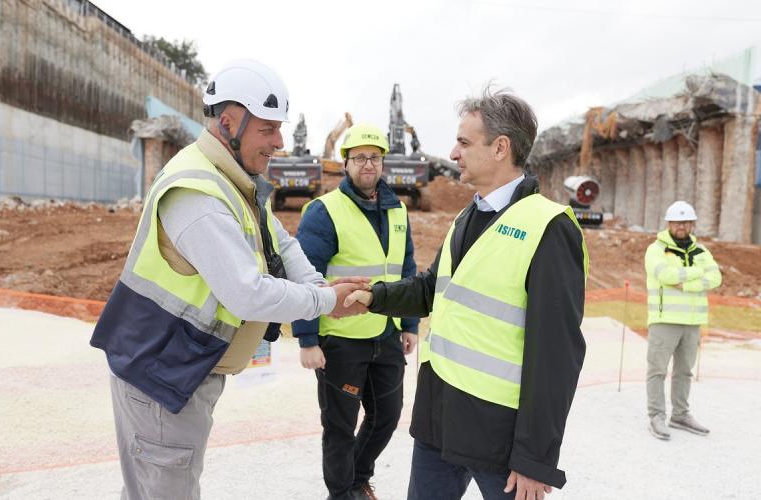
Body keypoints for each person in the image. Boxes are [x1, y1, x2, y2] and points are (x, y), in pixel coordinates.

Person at [90, 59, 366, 500]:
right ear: (229, 122)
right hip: (161, 375)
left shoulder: (232, 180)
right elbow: (246, 294)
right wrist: (326, 303)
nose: (279, 142)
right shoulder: (196, 192)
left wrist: (318, 287)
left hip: (176, 366)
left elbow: (280, 242)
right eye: (268, 129)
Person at [345, 86, 588, 500]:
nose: (453, 153)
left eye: (464, 142)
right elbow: (432, 289)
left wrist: (535, 458)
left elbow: (556, 356)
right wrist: (375, 297)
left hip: (499, 435)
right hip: (438, 419)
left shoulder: (549, 228)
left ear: (500, 148)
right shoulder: (466, 216)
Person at [293, 123, 420, 500]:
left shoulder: (398, 210)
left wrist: (410, 323)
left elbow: (406, 269)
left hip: (386, 334)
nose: (368, 164)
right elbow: (304, 277)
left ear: (383, 163)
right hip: (340, 339)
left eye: (375, 157)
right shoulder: (324, 211)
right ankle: (342, 493)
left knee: (387, 417)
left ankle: (357, 480)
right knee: (340, 427)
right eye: (360, 157)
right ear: (346, 163)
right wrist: (307, 339)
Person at [644, 200, 722, 440]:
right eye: (677, 222)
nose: (682, 226)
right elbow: (665, 275)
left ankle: (680, 415)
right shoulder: (656, 249)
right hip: (664, 320)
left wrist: (686, 284)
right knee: (657, 370)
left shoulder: (701, 251)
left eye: (686, 222)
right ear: (669, 223)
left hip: (692, 322)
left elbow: (716, 277)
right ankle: (656, 416)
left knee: (684, 372)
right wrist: (698, 273)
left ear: (692, 224)